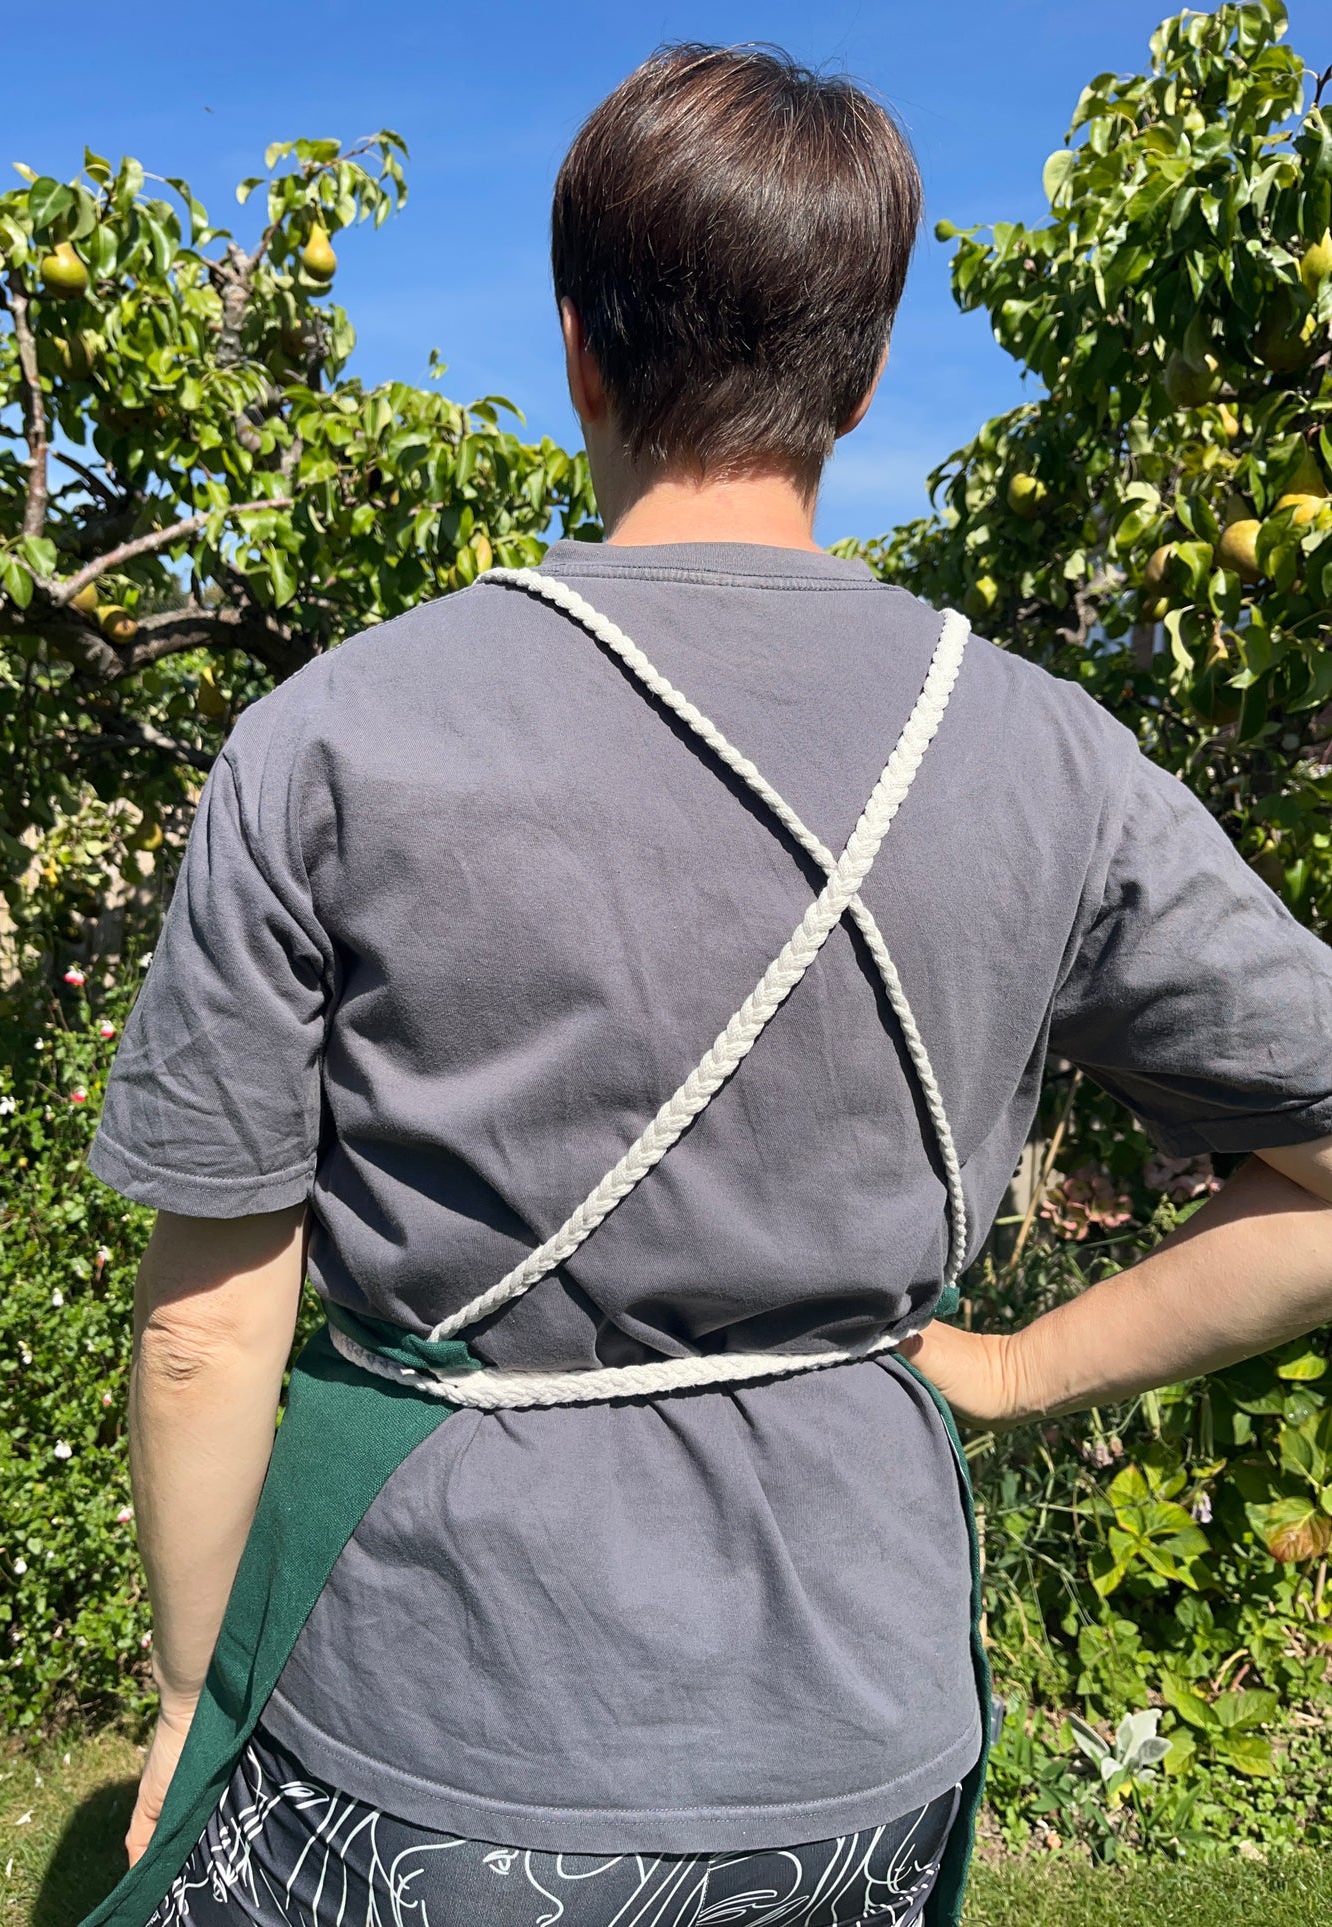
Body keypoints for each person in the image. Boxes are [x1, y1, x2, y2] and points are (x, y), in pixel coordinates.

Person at [78, 41, 1332, 1927]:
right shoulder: (1047, 753)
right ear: (868, 367)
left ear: (576, 345)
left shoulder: (332, 734)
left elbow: (201, 1330)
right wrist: (1008, 1369)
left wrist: (194, 1689)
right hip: (858, 1734)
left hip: (426, 1712)